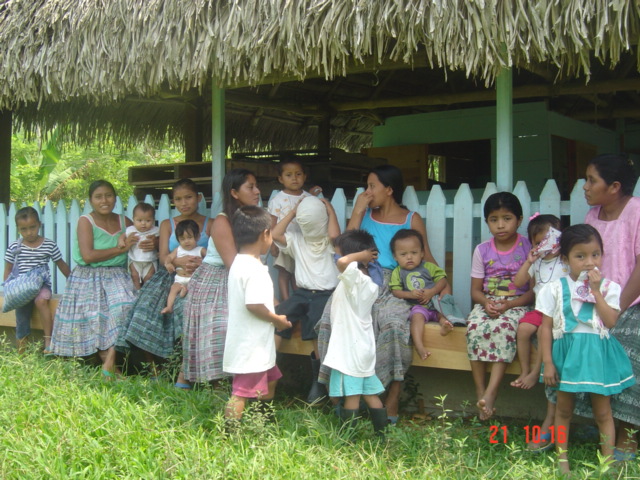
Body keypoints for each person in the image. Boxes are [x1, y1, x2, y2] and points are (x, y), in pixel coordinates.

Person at [317, 164, 442, 423]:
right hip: (358, 278)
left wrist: (441, 291)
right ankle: (336, 393)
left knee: (394, 325)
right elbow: (344, 247)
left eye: (372, 186)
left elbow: (425, 256)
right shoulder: (364, 214)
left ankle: (391, 397)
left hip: (395, 284)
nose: (368, 191)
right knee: (330, 318)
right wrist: (359, 209)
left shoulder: (411, 219)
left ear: (389, 189)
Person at [538, 224, 635, 474]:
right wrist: (548, 362)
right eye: (580, 256)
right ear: (565, 259)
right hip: (566, 356)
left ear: (602, 255)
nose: (589, 262)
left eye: (595, 255)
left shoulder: (609, 288)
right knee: (564, 409)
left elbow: (611, 321)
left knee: (603, 412)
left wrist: (596, 292)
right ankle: (562, 462)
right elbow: (545, 328)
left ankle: (607, 462)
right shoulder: (554, 288)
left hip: (595, 356)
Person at [118, 178, 211, 382]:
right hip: (167, 276)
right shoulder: (168, 224)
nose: (183, 203)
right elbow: (162, 256)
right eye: (178, 199)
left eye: (188, 197)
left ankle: (185, 370)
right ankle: (155, 369)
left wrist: (199, 265)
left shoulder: (209, 224)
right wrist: (178, 261)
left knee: (184, 311)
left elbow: (214, 256)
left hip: (201, 278)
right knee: (143, 309)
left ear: (198, 198)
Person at [50, 180, 139, 378]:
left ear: (115, 198)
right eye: (98, 197)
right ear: (91, 200)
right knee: (96, 316)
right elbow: (88, 255)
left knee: (126, 307)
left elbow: (142, 241)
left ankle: (110, 360)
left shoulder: (125, 222)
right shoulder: (85, 221)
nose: (104, 200)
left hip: (117, 274)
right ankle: (111, 367)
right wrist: (120, 248)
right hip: (87, 277)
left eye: (108, 195)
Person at [583, 153, 640, 460]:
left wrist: (618, 307)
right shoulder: (592, 215)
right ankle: (605, 428)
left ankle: (629, 436)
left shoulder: (637, 212)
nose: (585, 186)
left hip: (632, 303)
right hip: (596, 299)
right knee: (579, 343)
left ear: (615, 186)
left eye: (592, 180)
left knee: (628, 348)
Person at [182, 169, 261, 387]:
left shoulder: (251, 217)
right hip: (216, 281)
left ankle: (237, 383)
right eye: (250, 187)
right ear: (234, 193)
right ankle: (214, 385)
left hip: (238, 277)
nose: (257, 191)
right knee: (220, 329)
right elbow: (234, 265)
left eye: (256, 185)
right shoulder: (223, 221)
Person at [466, 192, 533, 420]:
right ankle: (479, 390)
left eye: (507, 218)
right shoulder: (482, 250)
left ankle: (491, 393)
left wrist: (509, 304)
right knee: (475, 327)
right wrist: (486, 303)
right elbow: (475, 291)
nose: (500, 225)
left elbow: (533, 291)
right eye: (494, 219)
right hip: (488, 303)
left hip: (517, 305)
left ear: (520, 220)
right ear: (486, 222)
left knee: (503, 328)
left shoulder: (527, 247)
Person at [223, 206, 292, 422]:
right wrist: (277, 320)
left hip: (256, 344)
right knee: (241, 393)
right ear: (265, 234)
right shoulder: (252, 268)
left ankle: (262, 422)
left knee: (272, 378)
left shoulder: (239, 263)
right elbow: (253, 305)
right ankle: (229, 436)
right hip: (250, 346)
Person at [271, 195, 340, 404]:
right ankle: (269, 366)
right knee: (277, 318)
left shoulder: (330, 243)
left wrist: (331, 212)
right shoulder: (297, 240)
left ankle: (318, 382)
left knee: (316, 328)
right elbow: (275, 233)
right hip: (301, 293)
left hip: (325, 295)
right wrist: (292, 213)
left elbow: (336, 236)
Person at [323, 230, 388, 437]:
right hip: (363, 349)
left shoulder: (356, 279)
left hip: (349, 350)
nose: (336, 257)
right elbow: (343, 260)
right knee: (370, 394)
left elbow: (342, 262)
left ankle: (347, 440)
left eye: (339, 252)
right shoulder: (371, 282)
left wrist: (362, 255)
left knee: (352, 395)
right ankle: (382, 435)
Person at [389, 228, 466, 360]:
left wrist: (432, 292)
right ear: (395, 256)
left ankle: (444, 327)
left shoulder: (428, 267)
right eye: (403, 254)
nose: (409, 257)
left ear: (422, 253)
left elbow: (442, 281)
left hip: (435, 303)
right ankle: (419, 346)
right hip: (418, 307)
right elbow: (396, 291)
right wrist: (410, 295)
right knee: (417, 318)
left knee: (443, 313)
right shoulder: (398, 272)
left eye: (414, 252)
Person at [511, 214, 568, 390]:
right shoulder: (536, 263)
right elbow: (518, 283)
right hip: (540, 309)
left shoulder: (565, 260)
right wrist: (529, 262)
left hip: (559, 311)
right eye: (538, 243)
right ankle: (525, 370)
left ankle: (536, 372)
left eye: (550, 241)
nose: (546, 247)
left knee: (544, 330)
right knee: (523, 329)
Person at [3, 207, 71, 353]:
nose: (29, 232)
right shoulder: (15, 247)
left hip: (41, 285)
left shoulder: (48, 245)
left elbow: (61, 264)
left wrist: (73, 282)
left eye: (32, 227)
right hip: (22, 287)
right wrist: (8, 289)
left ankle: (48, 341)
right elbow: (8, 269)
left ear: (39, 224)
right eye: (24, 229)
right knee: (21, 317)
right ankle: (22, 351)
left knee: (41, 300)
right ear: (18, 229)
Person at [267, 159, 322, 301]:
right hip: (283, 242)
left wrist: (312, 195)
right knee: (285, 273)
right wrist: (272, 244)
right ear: (281, 179)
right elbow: (272, 223)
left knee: (299, 272)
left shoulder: (308, 197)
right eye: (289, 175)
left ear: (304, 176)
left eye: (298, 174)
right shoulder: (277, 199)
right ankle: (286, 302)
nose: (294, 178)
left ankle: (299, 301)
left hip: (303, 243)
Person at [161, 220, 206, 314]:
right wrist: (168, 264)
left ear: (197, 237)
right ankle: (169, 307)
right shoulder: (178, 250)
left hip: (193, 278)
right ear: (178, 240)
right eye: (182, 239)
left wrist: (202, 263)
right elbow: (169, 257)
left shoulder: (200, 250)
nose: (186, 241)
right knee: (173, 289)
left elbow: (209, 258)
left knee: (195, 289)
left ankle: (183, 292)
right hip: (179, 278)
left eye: (189, 237)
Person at [122, 202, 159, 290]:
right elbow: (123, 235)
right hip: (134, 260)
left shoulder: (156, 230)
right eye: (139, 220)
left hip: (150, 260)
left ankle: (145, 294)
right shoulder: (131, 230)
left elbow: (162, 239)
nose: (143, 223)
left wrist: (157, 243)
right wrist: (121, 241)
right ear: (133, 219)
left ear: (153, 220)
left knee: (149, 277)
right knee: (134, 276)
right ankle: (137, 293)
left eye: (148, 221)